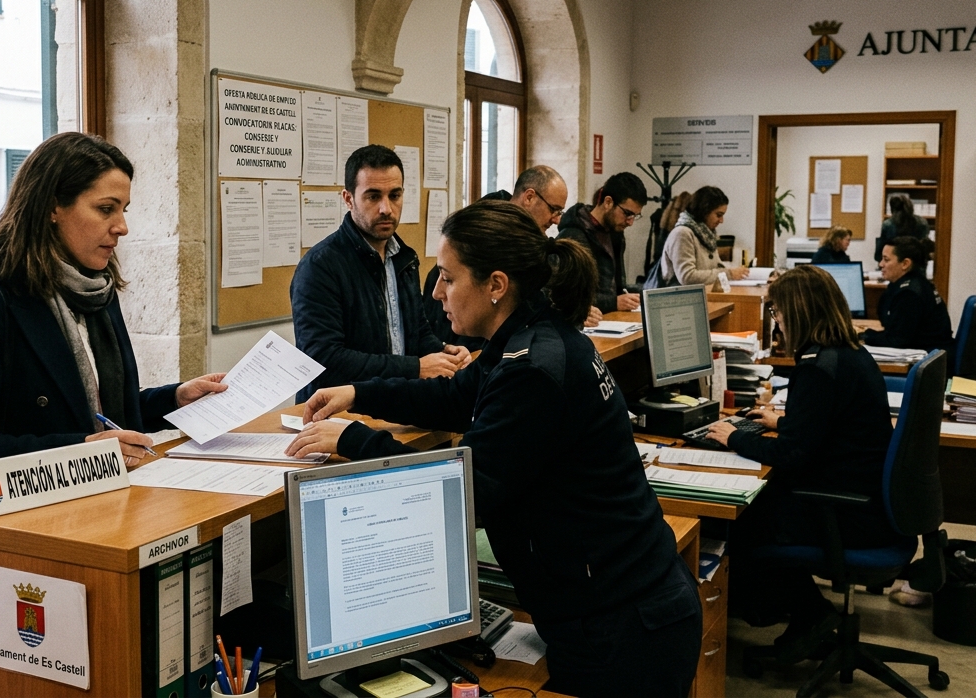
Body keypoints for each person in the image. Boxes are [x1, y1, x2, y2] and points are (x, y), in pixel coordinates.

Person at [286, 201, 702, 697]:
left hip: (624, 625)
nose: (436, 293)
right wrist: (359, 394)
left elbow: (465, 489)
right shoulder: (527, 336)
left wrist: (353, 439)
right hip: (614, 604)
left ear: (496, 285)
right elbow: (453, 397)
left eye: (448, 278)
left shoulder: (532, 368)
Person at [0, 132, 228, 489]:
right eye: (106, 209)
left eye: (123, 210)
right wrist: (83, 450)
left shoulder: (97, 293)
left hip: (108, 496)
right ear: (52, 207)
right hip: (29, 512)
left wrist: (175, 398)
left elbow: (102, 411)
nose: (122, 227)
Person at [704, 264, 897, 659]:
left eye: (776, 312)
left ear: (796, 313)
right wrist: (784, 421)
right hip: (865, 498)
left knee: (739, 520)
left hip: (845, 512)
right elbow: (829, 426)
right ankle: (803, 612)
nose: (776, 323)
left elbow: (791, 454)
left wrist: (734, 436)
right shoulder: (848, 353)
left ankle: (803, 612)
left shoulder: (817, 368)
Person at [291, 144, 470, 401]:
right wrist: (415, 368)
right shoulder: (320, 267)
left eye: (394, 195)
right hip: (337, 412)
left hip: (393, 401)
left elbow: (416, 333)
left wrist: (443, 352)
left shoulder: (404, 258)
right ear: (348, 199)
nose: (386, 208)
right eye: (373, 197)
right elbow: (323, 360)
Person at [423, 166, 601, 346]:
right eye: (553, 209)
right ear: (529, 197)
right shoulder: (481, 238)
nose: (557, 220)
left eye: (559, 212)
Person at [558, 172, 648, 313]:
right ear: (608, 202)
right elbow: (566, 296)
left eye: (635, 216)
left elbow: (616, 287)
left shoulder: (616, 233)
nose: (630, 222)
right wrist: (614, 302)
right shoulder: (573, 235)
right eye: (627, 213)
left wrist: (644, 293)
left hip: (610, 320)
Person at [863, 237, 953, 353]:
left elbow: (897, 340)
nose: (881, 264)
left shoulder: (909, 294)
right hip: (932, 351)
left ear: (905, 264)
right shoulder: (915, 283)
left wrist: (865, 336)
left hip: (929, 356)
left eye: (886, 260)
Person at [658, 185, 750, 286]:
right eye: (718, 215)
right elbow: (687, 277)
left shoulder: (707, 235)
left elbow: (714, 268)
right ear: (704, 211)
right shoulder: (682, 233)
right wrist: (729, 274)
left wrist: (734, 272)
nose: (721, 220)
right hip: (681, 295)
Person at [875, 194, 929, 261]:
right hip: (916, 263)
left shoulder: (888, 225)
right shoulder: (922, 223)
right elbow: (925, 250)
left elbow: (878, 255)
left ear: (892, 208)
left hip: (893, 263)